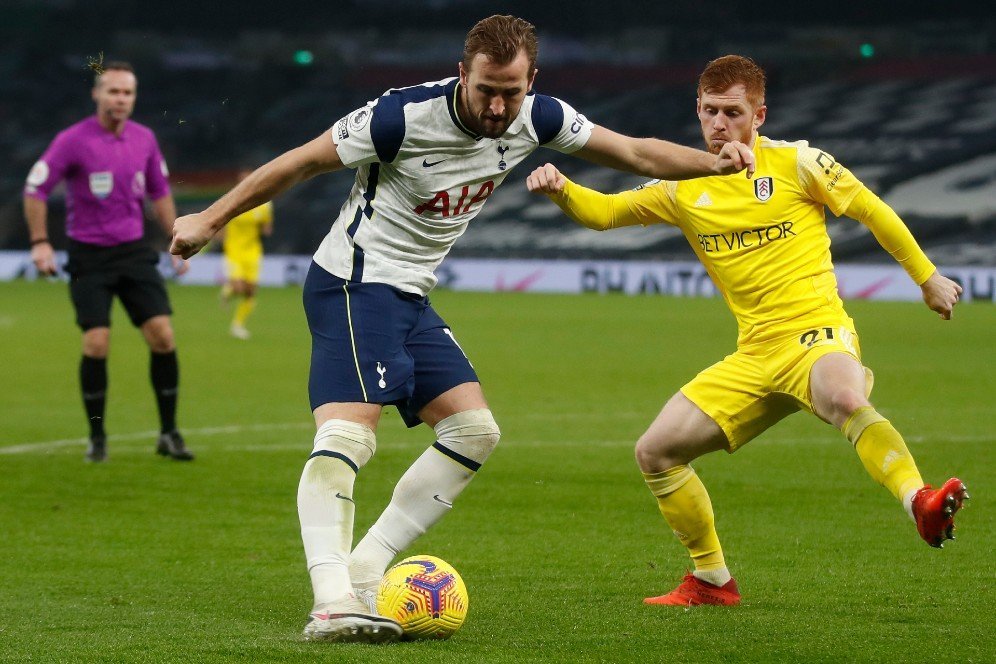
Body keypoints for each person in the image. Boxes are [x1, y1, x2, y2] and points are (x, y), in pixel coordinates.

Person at [170, 16, 754, 642]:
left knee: (474, 432)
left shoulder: (540, 117)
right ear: (462, 75)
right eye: (485, 91)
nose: (499, 106)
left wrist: (713, 165)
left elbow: (636, 152)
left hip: (412, 294)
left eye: (512, 91)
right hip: (353, 283)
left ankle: (366, 570)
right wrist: (210, 216)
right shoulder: (397, 119)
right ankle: (333, 601)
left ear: (532, 80)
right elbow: (299, 164)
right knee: (348, 435)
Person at [527, 54, 969, 607]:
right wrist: (562, 188)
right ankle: (712, 581)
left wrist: (927, 279)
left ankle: (919, 503)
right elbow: (606, 213)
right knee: (656, 452)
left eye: (732, 112)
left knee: (842, 394)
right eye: (709, 111)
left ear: (759, 114)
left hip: (816, 333)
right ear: (696, 110)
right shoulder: (682, 186)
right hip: (755, 353)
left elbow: (871, 210)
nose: (718, 124)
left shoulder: (799, 163)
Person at [24, 61, 194, 463]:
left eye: (128, 93)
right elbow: (35, 189)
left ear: (134, 98)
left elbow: (159, 192)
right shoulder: (72, 140)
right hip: (89, 256)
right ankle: (97, 437)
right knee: (96, 342)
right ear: (97, 95)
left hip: (133, 253)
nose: (121, 99)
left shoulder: (145, 139)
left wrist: (177, 238)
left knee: (163, 337)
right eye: (113, 91)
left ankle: (169, 433)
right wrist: (40, 242)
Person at [220, 168, 274, 339]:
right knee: (239, 287)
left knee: (250, 291)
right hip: (234, 250)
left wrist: (266, 229)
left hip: (252, 250)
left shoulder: (264, 204)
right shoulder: (231, 200)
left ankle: (237, 325)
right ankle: (229, 291)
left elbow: (267, 227)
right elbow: (221, 221)